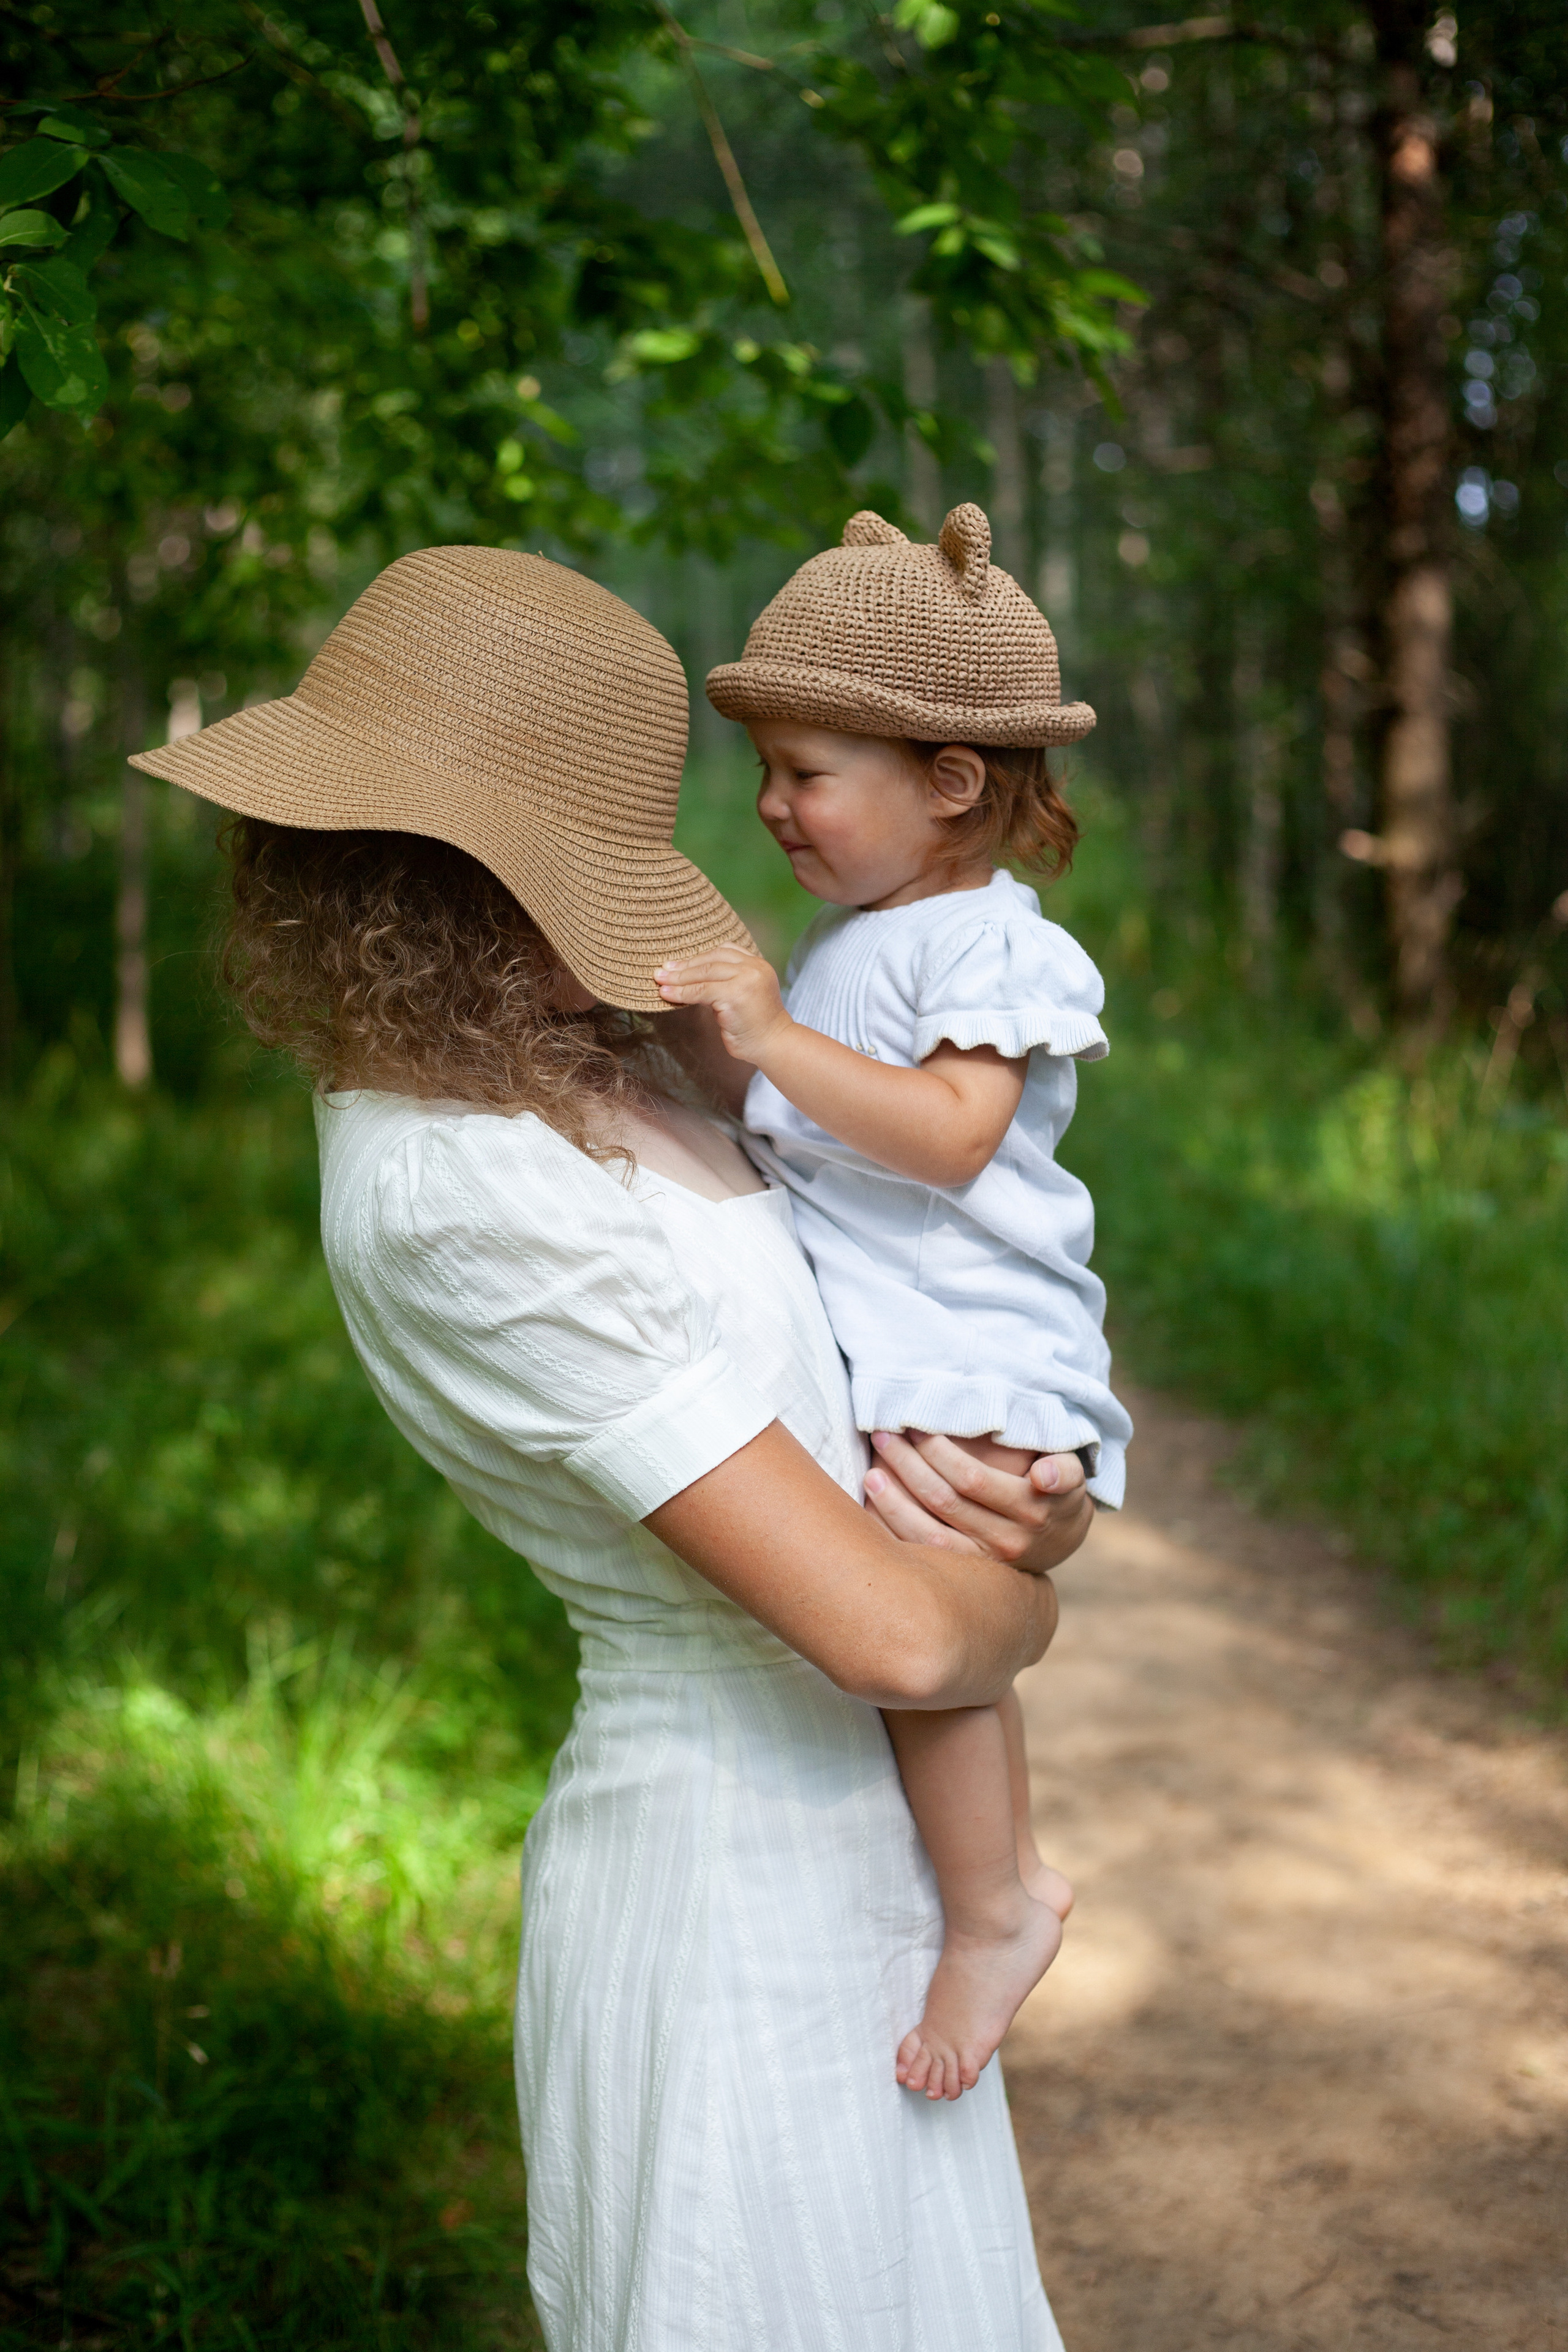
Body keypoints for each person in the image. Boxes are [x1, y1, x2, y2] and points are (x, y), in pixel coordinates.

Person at [129, 543, 1094, 2352]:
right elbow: (891, 1637)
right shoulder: (452, 1188)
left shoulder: (603, 1071)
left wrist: (1016, 1521)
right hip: (727, 1876)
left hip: (859, 1848)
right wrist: (1014, 1608)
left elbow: (887, 1352)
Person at [655, 502, 1133, 2104]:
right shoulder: (870, 935)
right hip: (919, 1334)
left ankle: (996, 1905)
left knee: (923, 1624)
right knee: (935, 1626)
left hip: (971, 1344)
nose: (775, 806)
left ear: (949, 781)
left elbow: (946, 1140)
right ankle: (995, 1889)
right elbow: (808, 1137)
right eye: (770, 772)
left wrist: (775, 1042)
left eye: (808, 772)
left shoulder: (994, 942)